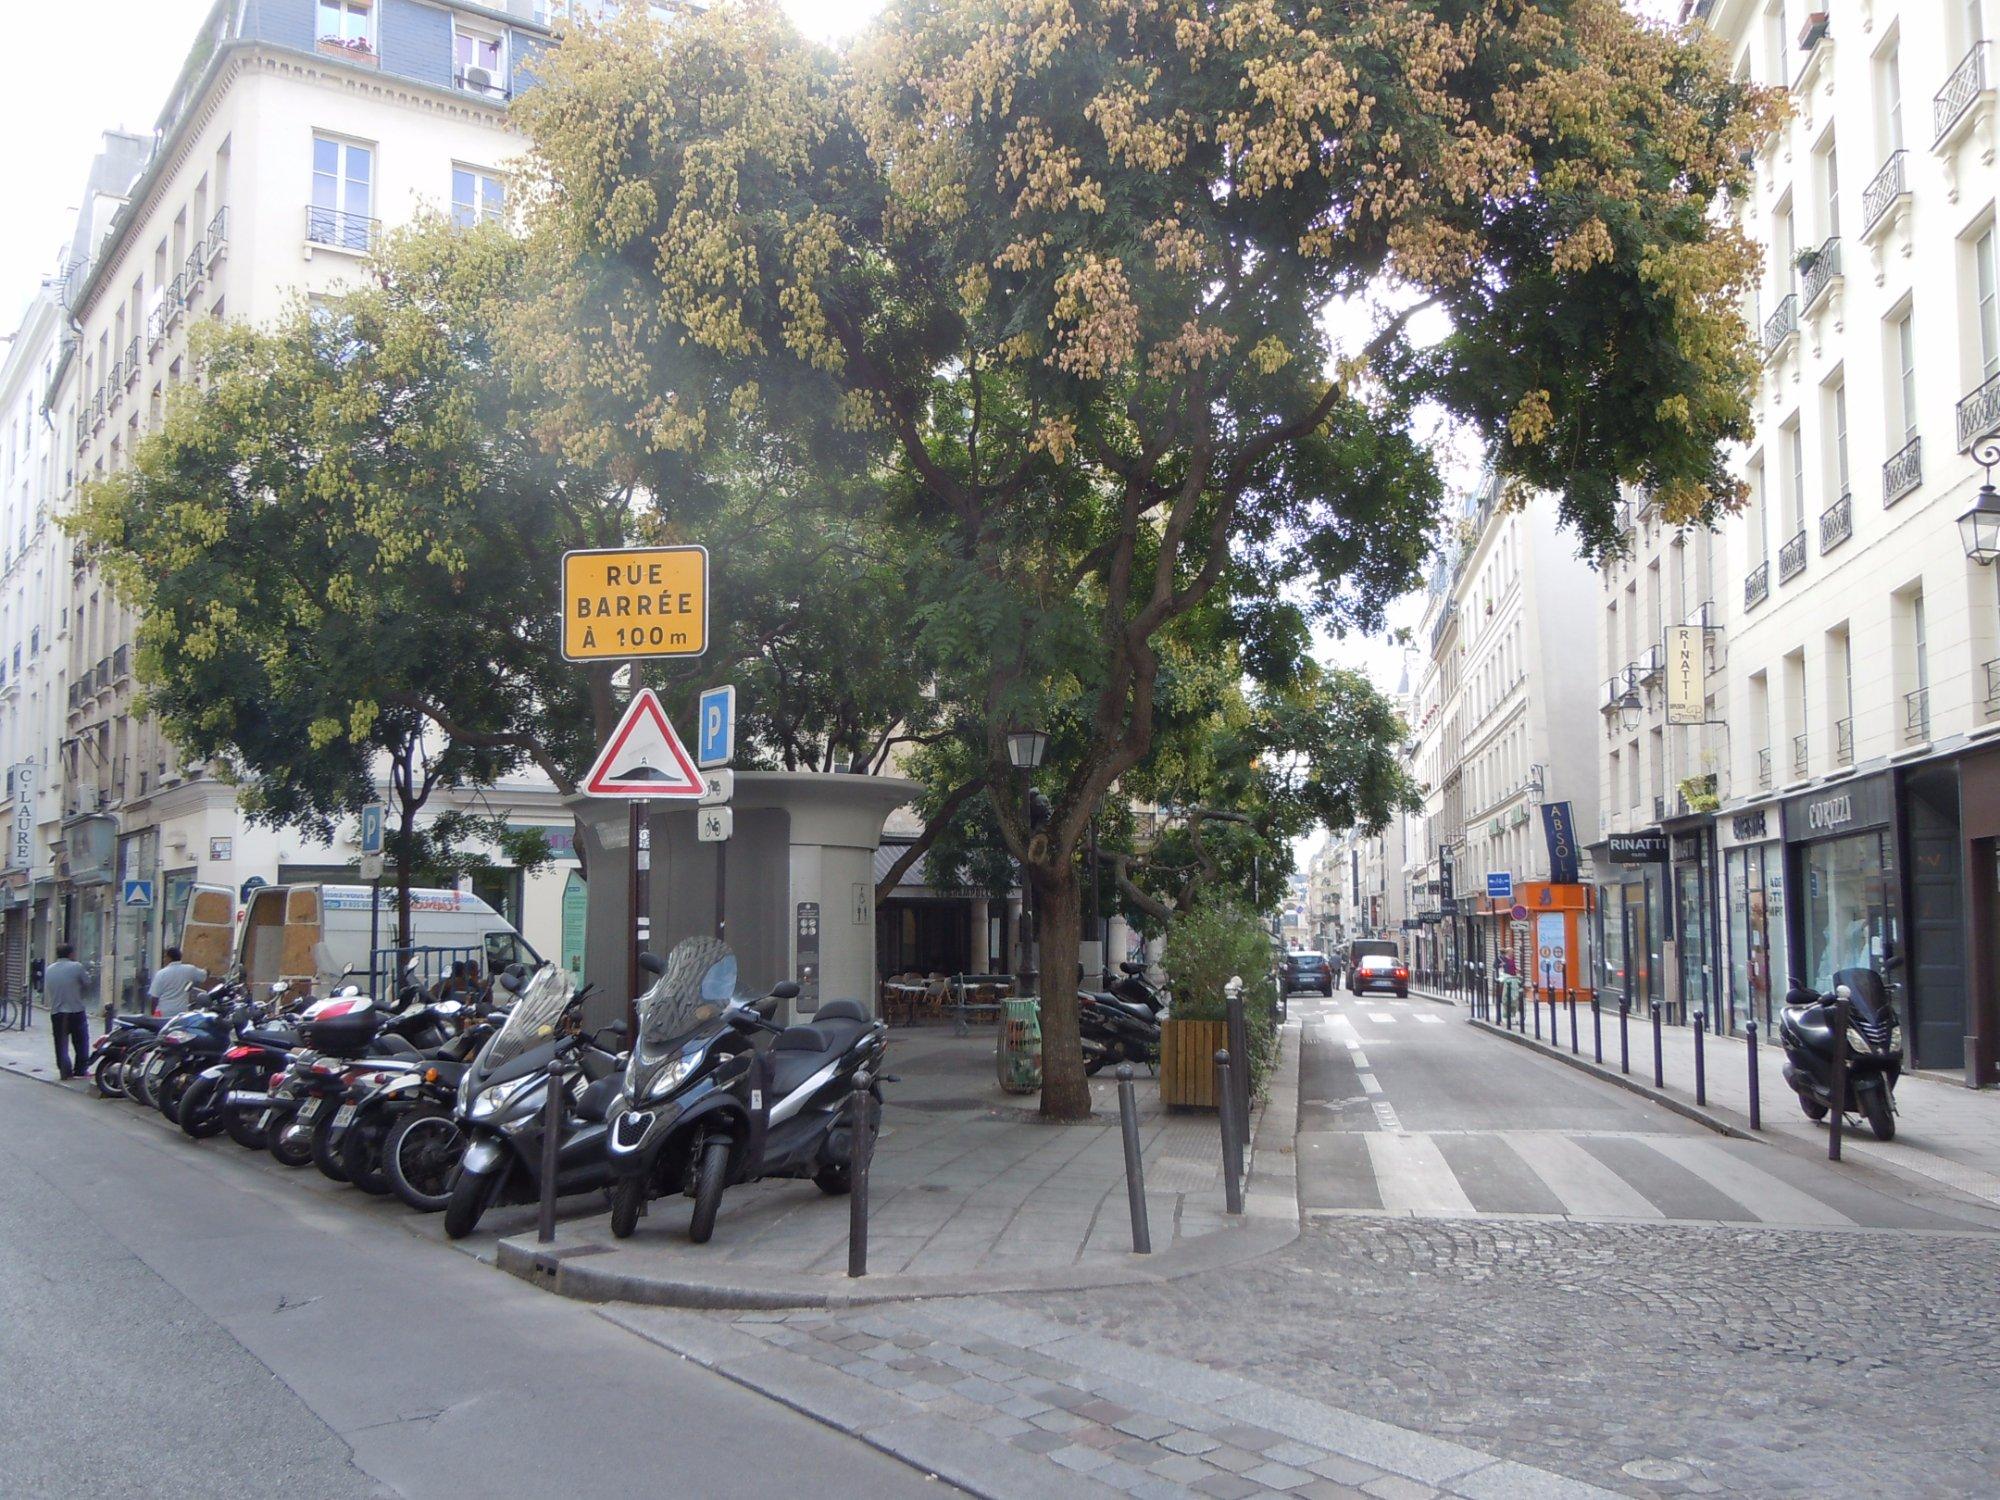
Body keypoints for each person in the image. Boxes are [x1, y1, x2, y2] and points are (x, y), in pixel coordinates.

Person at [44, 944, 90, 1081]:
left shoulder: (49, 969)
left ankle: (65, 1071)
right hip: (75, 1010)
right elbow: (87, 983)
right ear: (71, 954)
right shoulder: (77, 966)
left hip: (57, 1012)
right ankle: (80, 1070)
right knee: (81, 1041)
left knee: (60, 1043)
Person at [147, 945, 208, 1018]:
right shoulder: (189, 970)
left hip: (163, 1013)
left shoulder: (161, 974)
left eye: (165, 957)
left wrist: (154, 1015)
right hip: (181, 1013)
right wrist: (207, 969)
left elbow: (154, 997)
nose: (164, 959)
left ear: (169, 958)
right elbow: (204, 976)